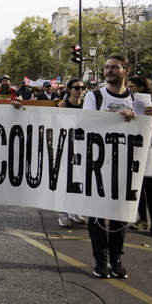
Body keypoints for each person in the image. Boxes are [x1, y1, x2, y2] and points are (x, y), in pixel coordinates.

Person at [82, 54, 137, 278]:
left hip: (125, 165)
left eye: (115, 67)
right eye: (106, 67)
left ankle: (116, 258)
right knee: (97, 215)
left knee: (119, 215)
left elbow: (150, 129)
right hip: (98, 164)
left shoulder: (138, 99)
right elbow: (86, 123)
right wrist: (116, 116)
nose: (109, 71)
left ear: (126, 70)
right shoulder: (94, 97)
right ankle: (100, 259)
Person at [126, 76, 152, 240]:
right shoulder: (127, 103)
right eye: (129, 87)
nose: (131, 90)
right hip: (132, 147)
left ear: (142, 87)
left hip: (149, 148)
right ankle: (142, 219)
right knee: (137, 187)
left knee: (151, 189)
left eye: (133, 87)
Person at [56, 77, 86, 227]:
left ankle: (74, 211)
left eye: (82, 87)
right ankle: (63, 213)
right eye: (76, 87)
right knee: (66, 180)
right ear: (69, 90)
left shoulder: (87, 105)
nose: (80, 90)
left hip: (83, 147)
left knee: (79, 180)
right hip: (67, 146)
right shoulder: (62, 105)